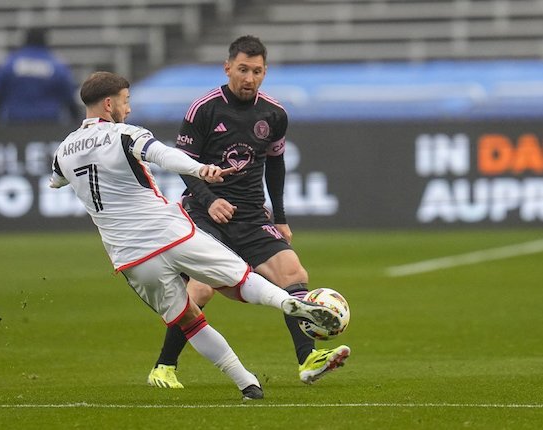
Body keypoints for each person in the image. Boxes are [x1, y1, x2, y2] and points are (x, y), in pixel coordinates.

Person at [49, 71, 343, 400]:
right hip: (168, 232)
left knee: (190, 320)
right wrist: (200, 169)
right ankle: (289, 303)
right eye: (125, 102)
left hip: (130, 257)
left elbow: (56, 181)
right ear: (108, 104)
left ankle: (247, 383)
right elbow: (163, 155)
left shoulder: (64, 152)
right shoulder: (124, 134)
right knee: (239, 279)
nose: (128, 109)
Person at [147, 35, 351, 389]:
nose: (249, 78)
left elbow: (276, 165)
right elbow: (183, 165)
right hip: (204, 213)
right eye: (242, 70)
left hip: (252, 216)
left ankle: (308, 359)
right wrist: (210, 199)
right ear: (228, 68)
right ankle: (164, 366)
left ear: (265, 72)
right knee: (201, 289)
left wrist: (281, 218)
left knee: (293, 272)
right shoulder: (204, 109)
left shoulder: (274, 114)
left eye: (257, 71)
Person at [0, 27, 80, 124]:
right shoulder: (56, 65)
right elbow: (69, 98)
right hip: (48, 125)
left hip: (16, 123)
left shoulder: (10, 63)